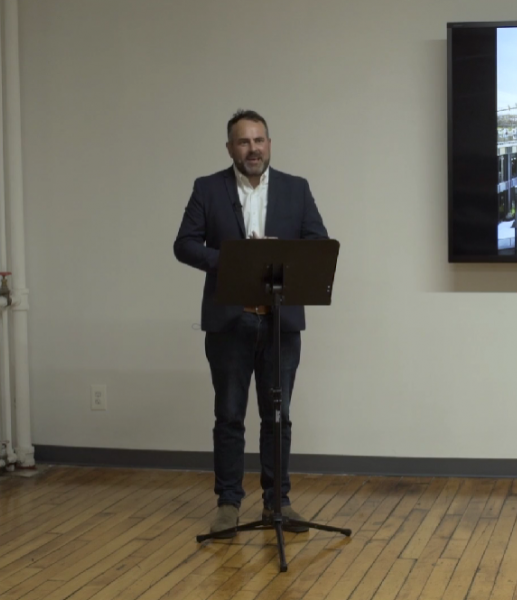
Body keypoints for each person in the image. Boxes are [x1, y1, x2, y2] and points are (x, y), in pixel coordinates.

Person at [173, 109, 329, 537]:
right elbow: (184, 244)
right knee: (229, 416)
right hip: (230, 323)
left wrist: (282, 256)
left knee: (278, 417)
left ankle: (278, 502)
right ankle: (228, 504)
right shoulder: (208, 188)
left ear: (270, 145)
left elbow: (318, 243)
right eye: (243, 142)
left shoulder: (296, 189)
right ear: (230, 148)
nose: (253, 149)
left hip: (281, 324)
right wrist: (232, 260)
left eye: (259, 140)